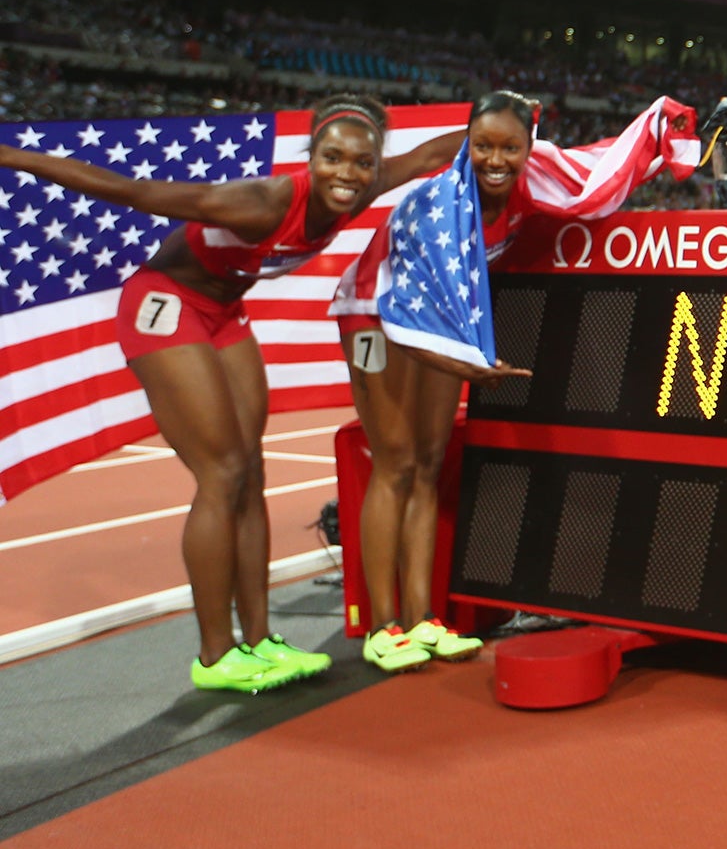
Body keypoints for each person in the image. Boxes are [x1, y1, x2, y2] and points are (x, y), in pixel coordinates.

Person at [0, 95, 461, 692]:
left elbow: (431, 152)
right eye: (332, 158)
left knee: (252, 469)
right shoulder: (260, 201)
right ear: (311, 155)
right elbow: (129, 191)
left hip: (223, 312)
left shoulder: (364, 184)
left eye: (361, 163)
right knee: (222, 472)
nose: (346, 173)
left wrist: (517, 137)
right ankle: (217, 656)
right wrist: (11, 155)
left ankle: (262, 640)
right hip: (164, 305)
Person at [334, 91, 698, 672]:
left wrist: (661, 131)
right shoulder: (438, 208)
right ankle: (384, 627)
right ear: (466, 146)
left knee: (429, 464)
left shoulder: (532, 181)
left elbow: (594, 175)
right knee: (396, 462)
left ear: (530, 149)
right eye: (481, 147)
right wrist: (472, 369)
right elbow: (410, 319)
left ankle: (425, 620)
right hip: (379, 314)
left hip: (440, 324)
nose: (494, 160)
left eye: (509, 147)